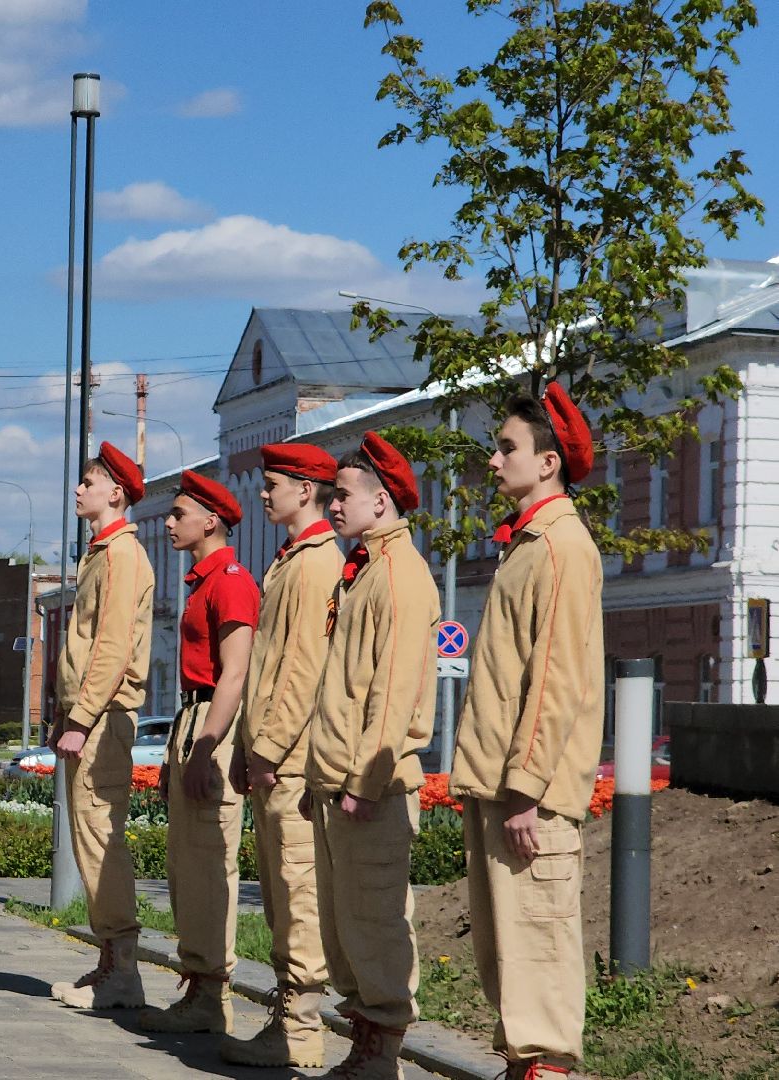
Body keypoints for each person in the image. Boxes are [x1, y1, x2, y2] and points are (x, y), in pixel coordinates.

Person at [451, 384, 605, 1080]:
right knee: (510, 951)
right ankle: (526, 1065)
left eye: (506, 447)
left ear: (548, 463)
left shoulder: (561, 546)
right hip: (505, 785)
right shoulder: (531, 543)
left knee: (539, 945)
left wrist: (526, 789)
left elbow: (554, 679)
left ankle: (545, 1070)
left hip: (530, 796)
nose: (493, 460)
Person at [304, 432, 440, 1080]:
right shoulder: (363, 571)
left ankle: (382, 1055)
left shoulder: (399, 575)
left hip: (375, 789)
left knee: (376, 922)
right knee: (346, 927)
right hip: (341, 782)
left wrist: (363, 780)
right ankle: (364, 1046)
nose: (332, 505)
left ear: (380, 501)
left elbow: (392, 694)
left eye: (342, 495)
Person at [222, 443, 341, 1069]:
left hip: (292, 762)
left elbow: (300, 671)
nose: (264, 494)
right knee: (278, 895)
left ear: (305, 489)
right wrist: (251, 745)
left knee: (298, 896)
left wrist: (265, 747)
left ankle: (300, 1028)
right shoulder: (292, 559)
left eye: (273, 484)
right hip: (274, 757)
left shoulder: (317, 564)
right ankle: (288, 1019)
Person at [137, 469, 257, 1035]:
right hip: (192, 717)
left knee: (209, 862)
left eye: (178, 514)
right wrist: (177, 752)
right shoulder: (203, 582)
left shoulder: (230, 582)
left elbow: (234, 673)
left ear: (210, 522)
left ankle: (212, 992)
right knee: (186, 864)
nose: (169, 522)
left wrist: (207, 746)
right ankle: (199, 985)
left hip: (213, 720)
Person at [48, 442, 155, 1011]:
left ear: (115, 492)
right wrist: (66, 714)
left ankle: (122, 972)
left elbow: (111, 647)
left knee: (100, 841)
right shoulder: (102, 552)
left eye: (87, 483)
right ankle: (111, 964)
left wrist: (82, 718)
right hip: (91, 717)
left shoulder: (120, 556)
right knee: (89, 842)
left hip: (105, 719)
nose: (77, 490)